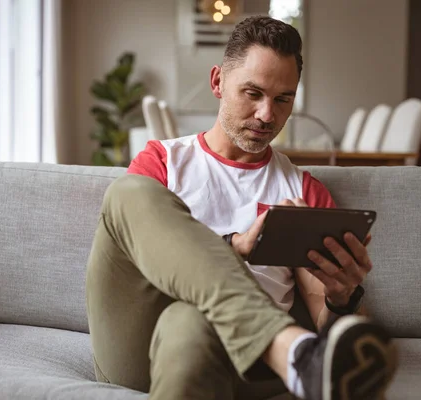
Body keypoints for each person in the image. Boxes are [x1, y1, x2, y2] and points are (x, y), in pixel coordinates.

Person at [86, 15, 397, 400]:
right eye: (253, 93)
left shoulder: (302, 190)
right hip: (140, 343)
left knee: (190, 321)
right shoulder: (163, 161)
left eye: (283, 99)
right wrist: (234, 246)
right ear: (218, 82)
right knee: (128, 192)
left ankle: (293, 354)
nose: (268, 115)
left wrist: (342, 297)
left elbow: (330, 324)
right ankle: (288, 348)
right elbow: (136, 270)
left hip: (239, 364)